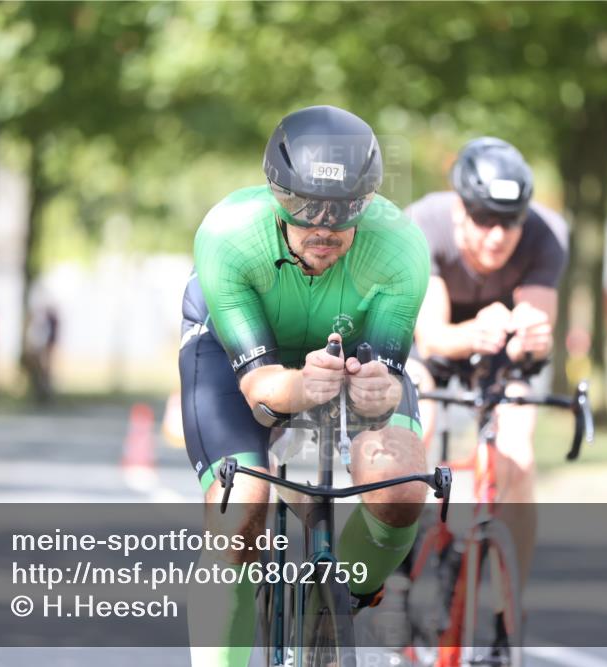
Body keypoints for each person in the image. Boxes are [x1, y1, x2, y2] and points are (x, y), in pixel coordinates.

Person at [180, 105, 430, 667]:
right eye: (303, 205)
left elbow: (388, 376)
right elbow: (263, 389)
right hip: (236, 358)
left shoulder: (399, 246)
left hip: (350, 353)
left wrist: (380, 393)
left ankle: (351, 590)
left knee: (400, 487)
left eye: (344, 211)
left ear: (366, 204)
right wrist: (304, 388)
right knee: (240, 505)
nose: (323, 226)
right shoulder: (227, 235)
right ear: (275, 193)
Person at [404, 137, 569, 645]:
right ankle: (398, 560)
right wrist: (473, 330)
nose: (498, 237)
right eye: (484, 221)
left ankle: (506, 611)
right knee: (419, 425)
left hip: (501, 353)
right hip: (435, 344)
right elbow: (431, 334)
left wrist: (532, 336)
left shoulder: (547, 234)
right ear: (459, 210)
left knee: (516, 457)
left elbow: (535, 335)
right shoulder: (424, 224)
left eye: (510, 222)